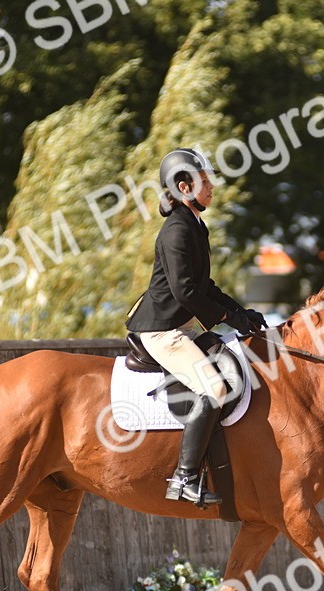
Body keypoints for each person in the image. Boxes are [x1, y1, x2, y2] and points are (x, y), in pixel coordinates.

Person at [125, 148, 266, 506]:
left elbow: (206, 286)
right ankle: (184, 478)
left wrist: (241, 313)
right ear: (185, 186)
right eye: (206, 180)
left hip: (179, 327)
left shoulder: (193, 226)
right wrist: (226, 318)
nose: (212, 186)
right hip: (162, 332)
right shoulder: (176, 231)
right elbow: (186, 293)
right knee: (215, 389)